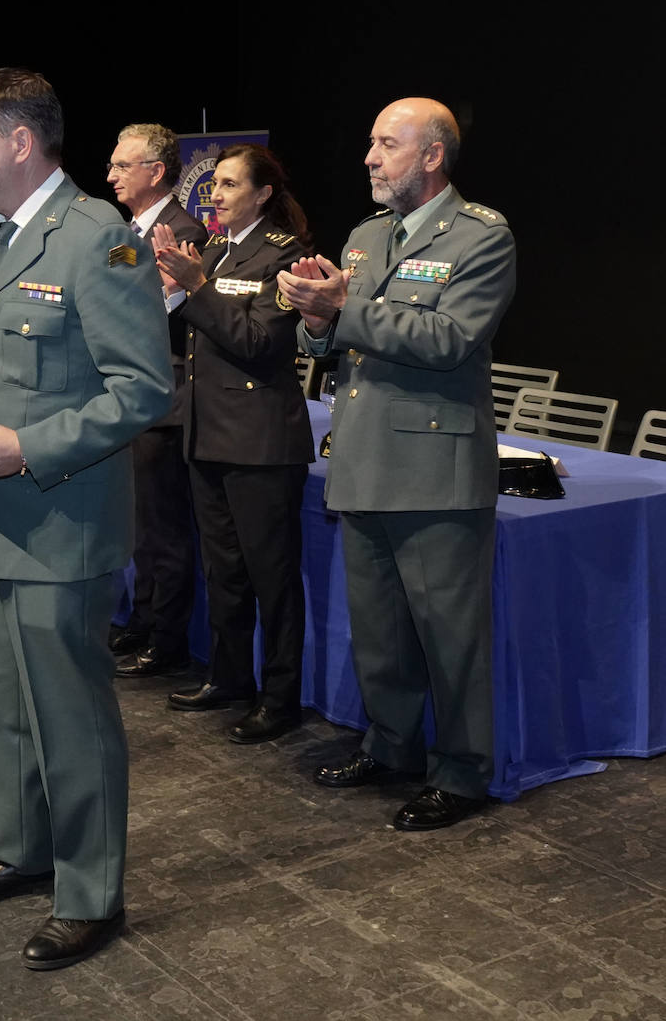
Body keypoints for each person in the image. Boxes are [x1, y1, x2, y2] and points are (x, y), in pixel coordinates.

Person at [0, 69, 171, 970]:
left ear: (22, 143)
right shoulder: (2, 237)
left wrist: (28, 447)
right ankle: (22, 846)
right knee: (0, 703)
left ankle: (90, 891)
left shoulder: (97, 239)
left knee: (69, 715)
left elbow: (143, 387)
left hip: (58, 516)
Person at [277, 97, 516, 831]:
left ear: (433, 155)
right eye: (372, 143)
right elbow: (334, 347)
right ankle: (391, 747)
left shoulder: (482, 237)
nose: (370, 157)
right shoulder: (365, 236)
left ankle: (464, 774)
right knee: (379, 633)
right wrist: (317, 318)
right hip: (363, 458)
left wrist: (343, 307)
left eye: (387, 144)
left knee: (451, 638)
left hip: (434, 471)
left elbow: (449, 337)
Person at [152, 144, 314, 743]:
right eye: (212, 184)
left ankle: (280, 697)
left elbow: (257, 342)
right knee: (224, 571)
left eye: (227, 184)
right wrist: (181, 286)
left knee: (272, 576)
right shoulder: (216, 250)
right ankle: (228, 677)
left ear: (263, 193)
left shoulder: (286, 255)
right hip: (209, 433)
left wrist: (196, 289)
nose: (214, 195)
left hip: (260, 442)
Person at [105, 123, 209, 677]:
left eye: (122, 166)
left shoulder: (185, 231)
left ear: (156, 172)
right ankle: (142, 619)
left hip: (165, 397)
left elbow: (173, 316)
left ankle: (166, 638)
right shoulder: (126, 231)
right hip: (128, 395)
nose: (112, 175)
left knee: (163, 528)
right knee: (139, 523)